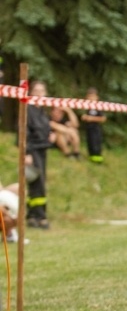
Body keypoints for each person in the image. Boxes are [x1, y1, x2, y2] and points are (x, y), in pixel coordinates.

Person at [26, 80, 55, 229]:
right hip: (33, 150)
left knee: (39, 183)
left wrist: (51, 135)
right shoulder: (27, 110)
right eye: (36, 91)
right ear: (31, 93)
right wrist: (27, 153)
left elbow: (45, 128)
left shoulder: (42, 111)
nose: (39, 94)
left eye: (41, 91)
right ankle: (40, 217)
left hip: (43, 150)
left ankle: (32, 215)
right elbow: (24, 133)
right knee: (37, 183)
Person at [80, 87, 107, 163]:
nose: (91, 98)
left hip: (96, 128)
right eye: (89, 96)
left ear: (97, 97)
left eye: (93, 96)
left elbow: (103, 119)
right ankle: (91, 156)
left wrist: (91, 118)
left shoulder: (98, 107)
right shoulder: (87, 107)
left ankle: (98, 158)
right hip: (89, 128)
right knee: (90, 142)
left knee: (96, 142)